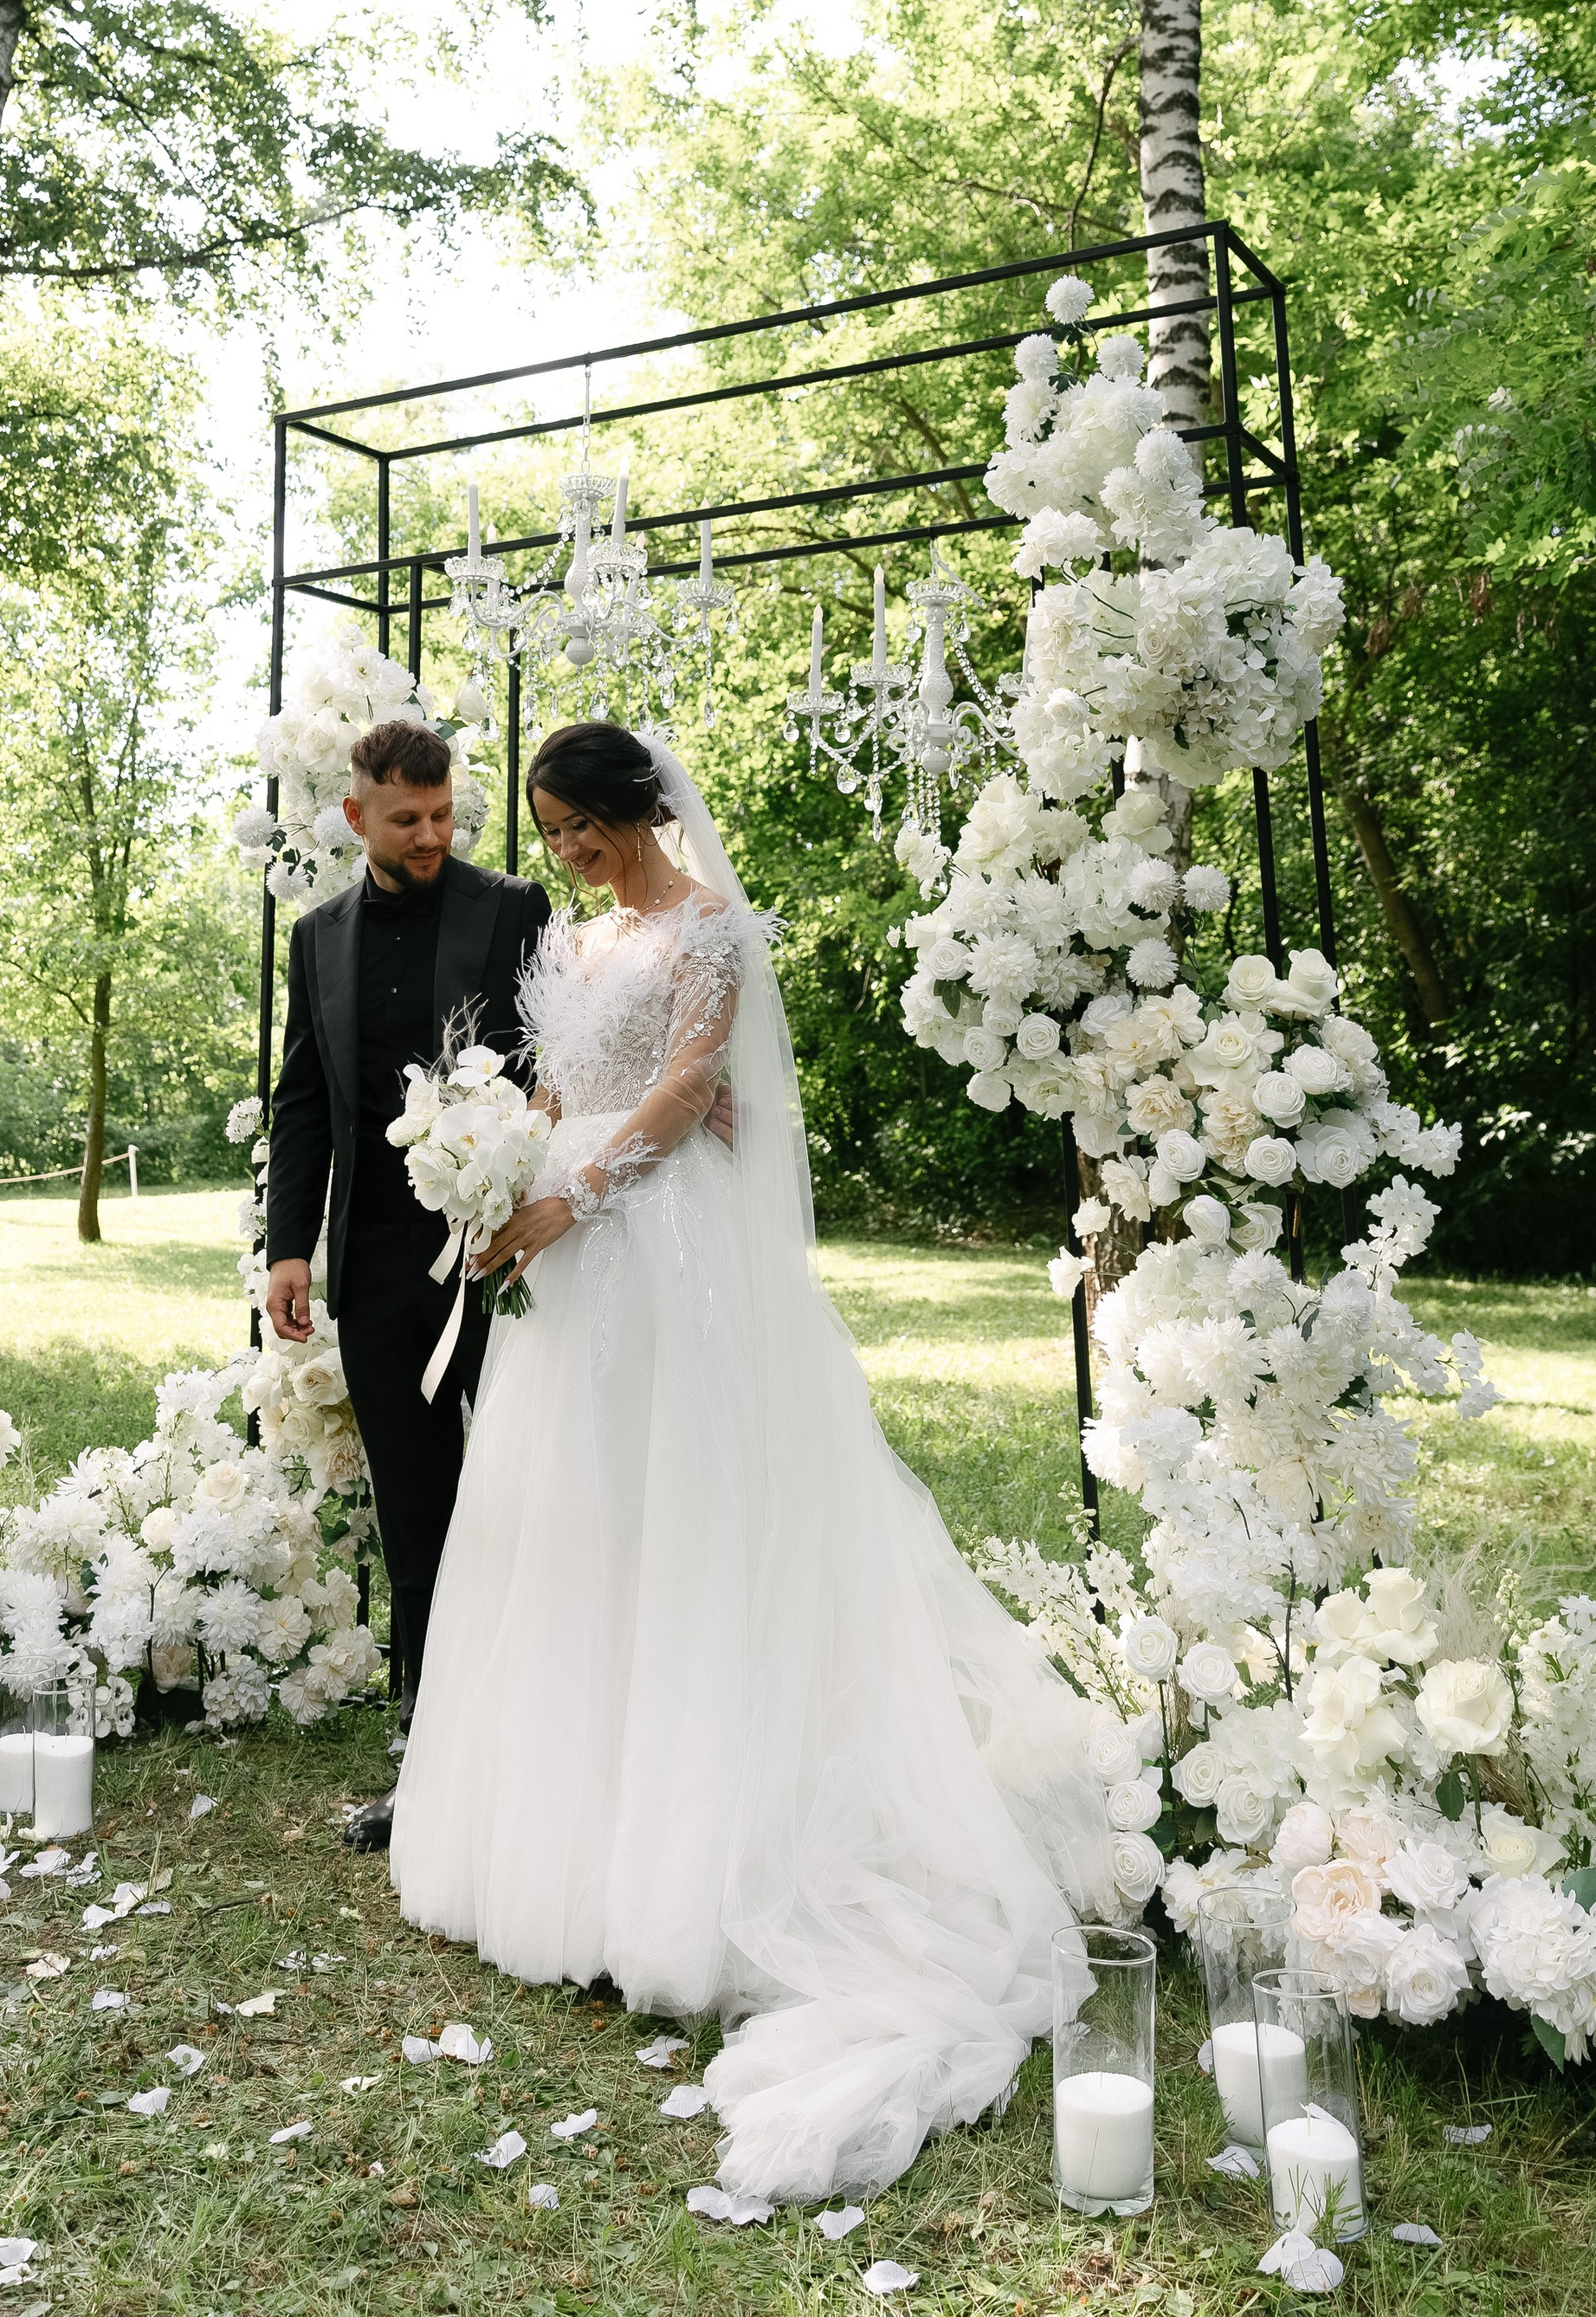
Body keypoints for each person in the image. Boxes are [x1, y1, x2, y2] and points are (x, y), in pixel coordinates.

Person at [388, 717, 1116, 2206]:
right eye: (551, 834)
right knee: (574, 1535)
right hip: (567, 1264)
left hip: (668, 1260)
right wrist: (497, 1164)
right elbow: (558, 1085)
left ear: (640, 809)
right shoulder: (574, 947)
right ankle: (561, 1856)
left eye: (584, 826)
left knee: (692, 1531)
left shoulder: (713, 929)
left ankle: (697, 1870)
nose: (570, 853)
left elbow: (680, 1093)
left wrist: (569, 1195)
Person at [262, 715, 550, 1851]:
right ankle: (429, 1776)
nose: (432, 836)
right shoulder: (315, 939)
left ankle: (547, 1752)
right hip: (378, 1276)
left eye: (442, 816)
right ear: (355, 818)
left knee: (536, 1503)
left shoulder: (513, 911)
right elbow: (301, 1102)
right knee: (416, 1523)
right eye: (407, 820)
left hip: (507, 1266)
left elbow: (560, 1070)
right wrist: (292, 1247)